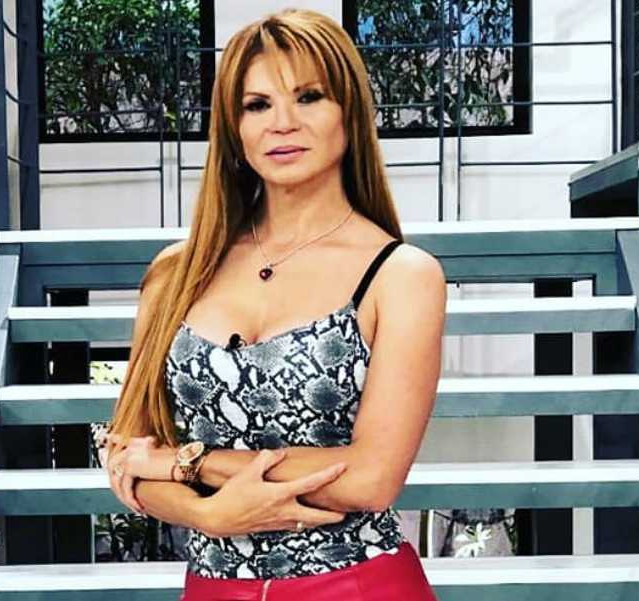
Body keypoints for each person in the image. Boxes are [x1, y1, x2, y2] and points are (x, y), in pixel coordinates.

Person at [101, 7, 447, 600]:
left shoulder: (400, 275)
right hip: (212, 586)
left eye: (308, 97)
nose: (283, 123)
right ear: (233, 128)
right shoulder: (175, 273)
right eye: (257, 105)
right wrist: (209, 514)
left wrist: (191, 463)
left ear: (349, 113)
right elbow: (128, 454)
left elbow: (371, 478)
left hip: (358, 587)